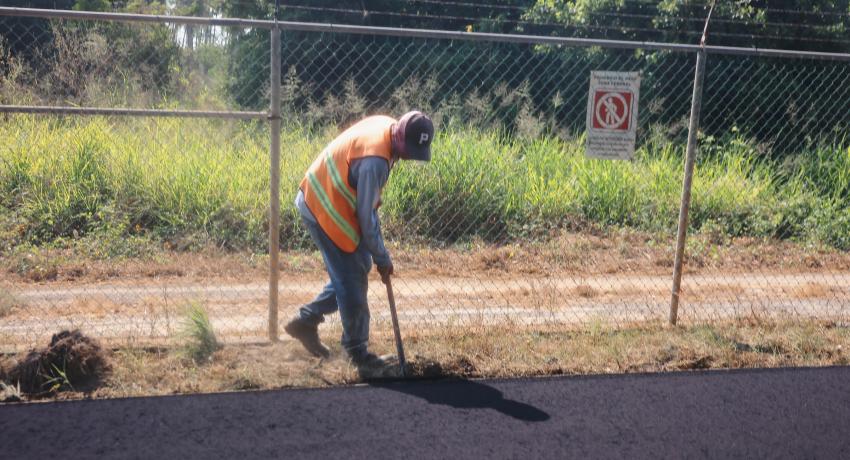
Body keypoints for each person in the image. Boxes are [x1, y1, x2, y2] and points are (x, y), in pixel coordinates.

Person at [284, 110, 435, 368]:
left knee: (356, 268)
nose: (408, 155)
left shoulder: (386, 127)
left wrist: (374, 255)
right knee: (352, 276)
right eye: (408, 148)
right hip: (324, 204)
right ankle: (356, 354)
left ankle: (306, 321)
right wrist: (382, 256)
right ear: (398, 134)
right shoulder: (375, 160)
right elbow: (366, 217)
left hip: (331, 196)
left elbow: (366, 203)